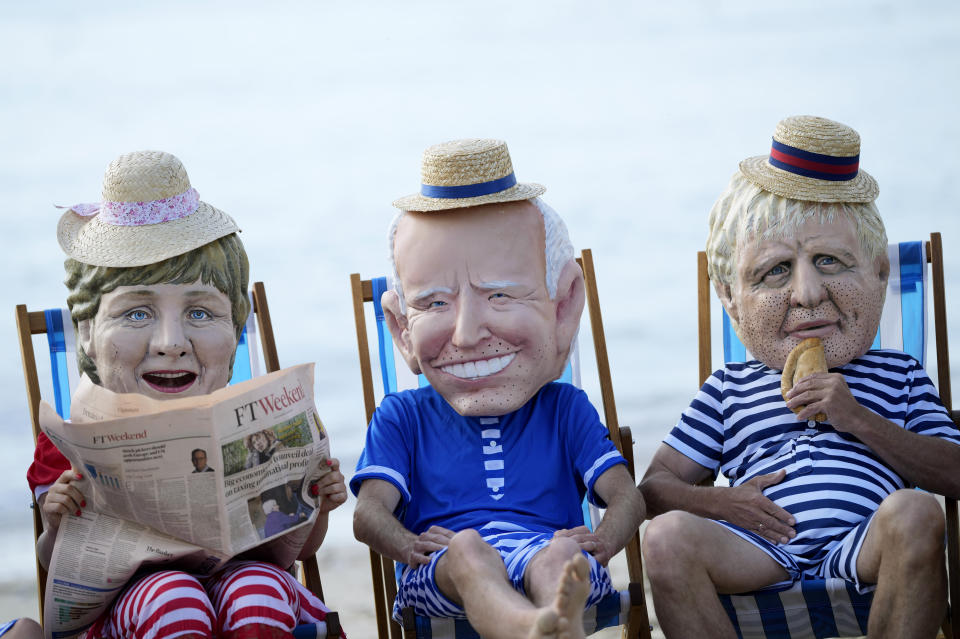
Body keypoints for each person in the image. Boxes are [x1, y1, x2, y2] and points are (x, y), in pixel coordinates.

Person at [638, 116, 960, 638]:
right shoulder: (728, 390)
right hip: (755, 551)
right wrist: (719, 502)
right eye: (776, 271)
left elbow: (955, 474)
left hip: (865, 548)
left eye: (830, 261)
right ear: (728, 298)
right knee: (666, 537)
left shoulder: (899, 374)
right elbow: (653, 489)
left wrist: (859, 419)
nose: (807, 293)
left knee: (917, 512)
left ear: (879, 273)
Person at [32, 150, 347, 639]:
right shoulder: (72, 438)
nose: (171, 343)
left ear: (237, 328)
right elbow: (57, 565)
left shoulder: (256, 428)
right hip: (136, 610)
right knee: (172, 596)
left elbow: (300, 551)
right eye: (136, 313)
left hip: (251, 590)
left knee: (258, 588)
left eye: (200, 313)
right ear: (88, 331)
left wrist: (320, 506)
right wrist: (56, 522)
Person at [351, 139, 645, 639]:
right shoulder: (402, 416)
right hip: (443, 569)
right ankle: (536, 628)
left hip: (550, 549)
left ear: (564, 306)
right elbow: (367, 513)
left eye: (501, 294)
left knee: (558, 556)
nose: (466, 334)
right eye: (436, 303)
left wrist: (601, 540)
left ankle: (553, 617)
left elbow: (627, 498)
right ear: (402, 329)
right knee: (467, 550)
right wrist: (405, 545)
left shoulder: (564, 409)